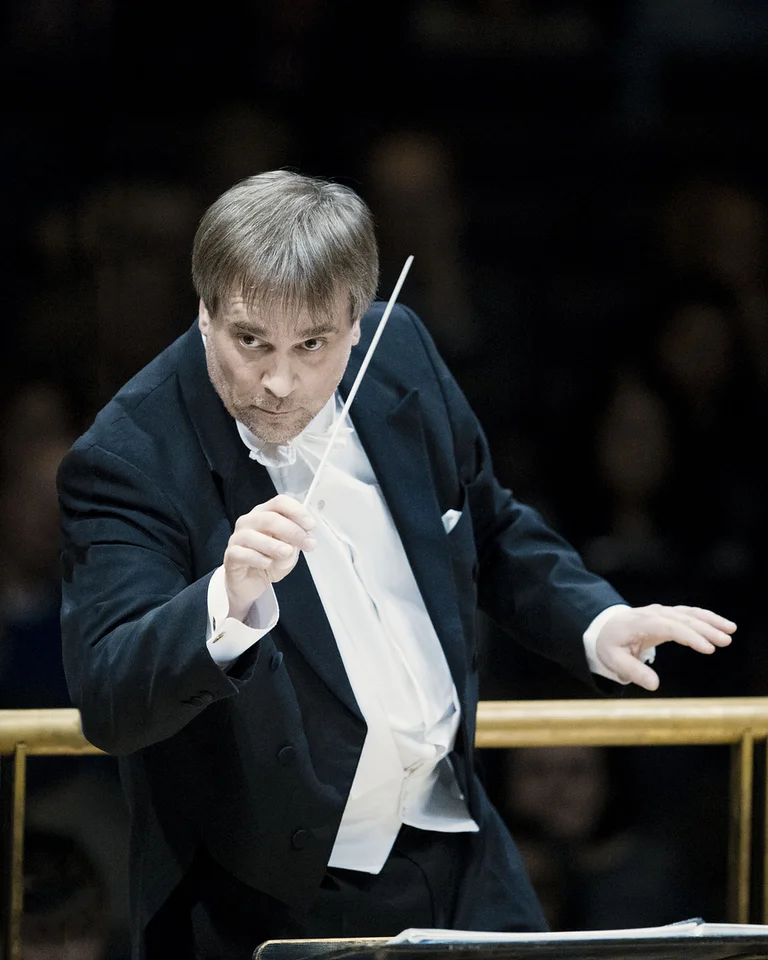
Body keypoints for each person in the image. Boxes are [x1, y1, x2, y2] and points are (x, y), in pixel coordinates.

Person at [57, 169, 737, 960]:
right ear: (205, 311)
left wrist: (594, 618)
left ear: (355, 323)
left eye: (312, 344)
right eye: (250, 341)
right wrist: (221, 602)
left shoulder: (398, 348)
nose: (278, 381)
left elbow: (487, 522)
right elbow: (109, 697)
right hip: (272, 890)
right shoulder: (128, 458)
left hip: (462, 843)